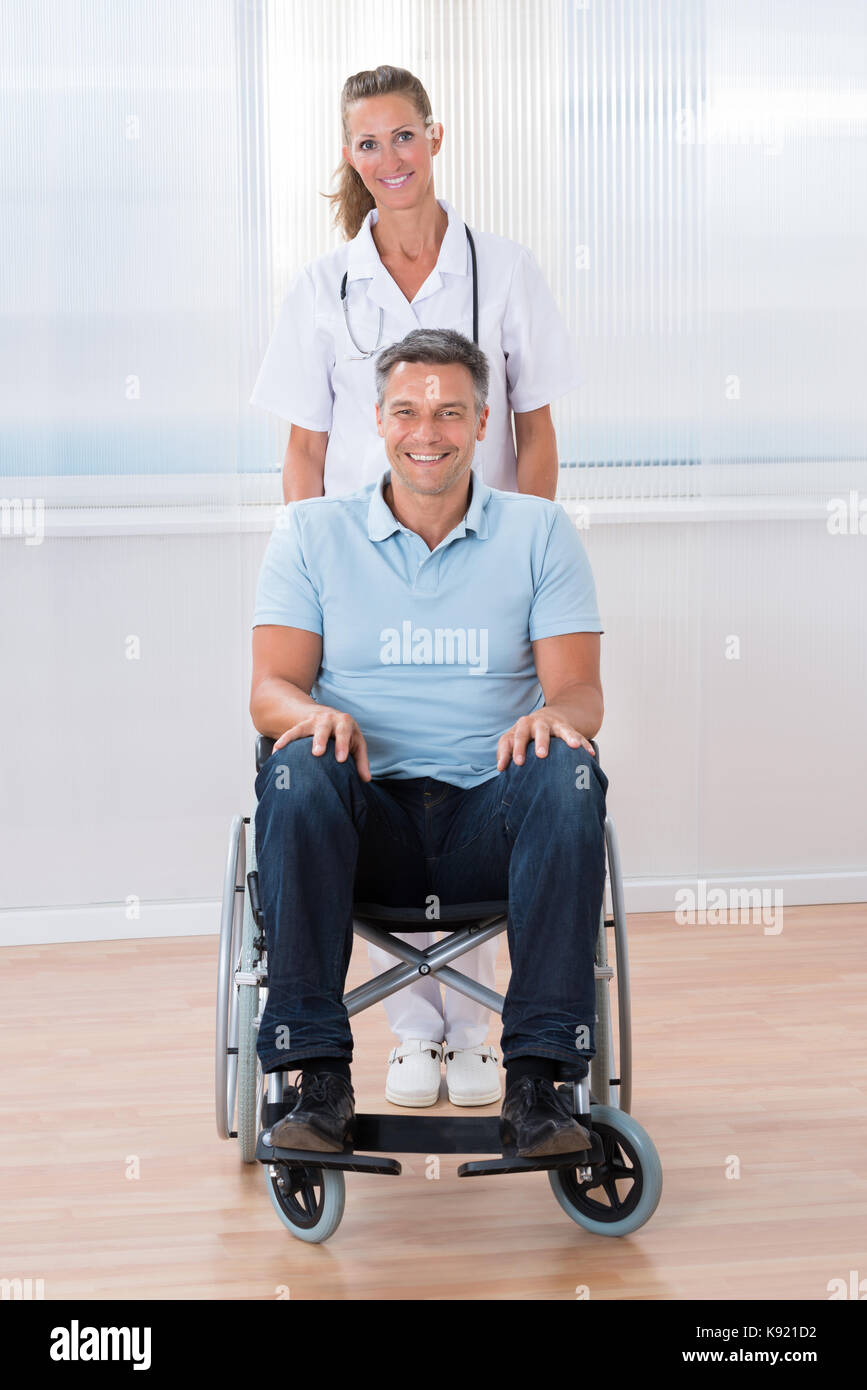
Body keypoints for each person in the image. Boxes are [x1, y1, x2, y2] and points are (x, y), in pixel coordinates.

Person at [250, 65, 584, 1110]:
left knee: (495, 747)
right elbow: (305, 450)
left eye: (404, 138)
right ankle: (401, 1027)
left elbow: (533, 428)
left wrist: (516, 556)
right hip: (357, 574)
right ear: (349, 160)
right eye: (367, 146)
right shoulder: (323, 288)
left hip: (474, 552)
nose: (389, 161)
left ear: (434, 140)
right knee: (361, 748)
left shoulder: (503, 269)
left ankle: (486, 1036)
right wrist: (309, 557)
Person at [249, 328, 608, 1158]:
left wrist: (557, 720)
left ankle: (539, 1085)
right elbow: (269, 690)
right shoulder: (310, 533)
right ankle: (318, 1078)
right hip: (360, 818)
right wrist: (309, 718)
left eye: (450, 411)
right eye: (407, 410)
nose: (427, 430)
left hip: (493, 817)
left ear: (484, 422)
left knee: (570, 772)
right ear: (376, 420)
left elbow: (581, 692)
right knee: (296, 771)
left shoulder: (539, 532)